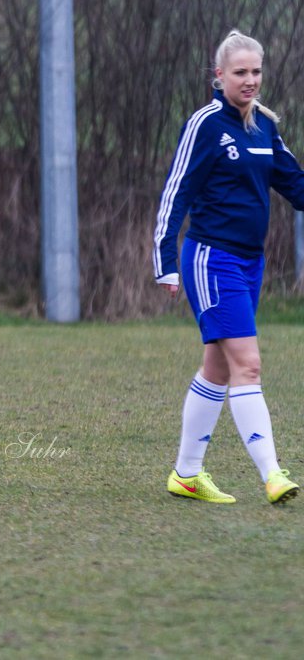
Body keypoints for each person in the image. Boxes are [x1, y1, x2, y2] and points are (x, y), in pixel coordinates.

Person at [154, 29, 303, 506]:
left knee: (218, 368)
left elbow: (295, 185)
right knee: (249, 364)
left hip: (249, 262)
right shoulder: (205, 124)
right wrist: (165, 260)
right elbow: (176, 191)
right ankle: (273, 475)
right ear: (219, 76)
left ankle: (186, 474)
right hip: (210, 258)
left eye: (256, 71)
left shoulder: (264, 128)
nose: (250, 80)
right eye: (240, 72)